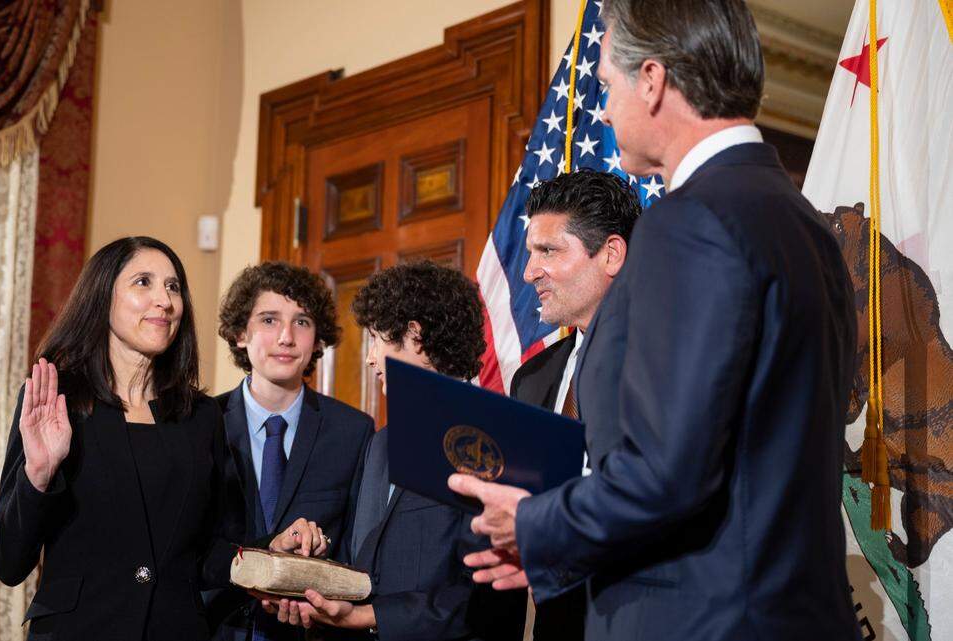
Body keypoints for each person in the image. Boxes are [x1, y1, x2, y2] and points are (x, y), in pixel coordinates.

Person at [450, 1, 862, 640]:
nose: (607, 108)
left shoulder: (690, 221)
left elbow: (665, 472)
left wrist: (534, 524)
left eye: (608, 86)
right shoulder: (805, 221)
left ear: (652, 79)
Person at [0, 237, 321, 641]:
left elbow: (210, 553)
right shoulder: (57, 401)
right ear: (102, 297)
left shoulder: (201, 416)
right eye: (143, 282)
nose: (164, 300)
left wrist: (271, 553)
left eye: (173, 286)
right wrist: (38, 474)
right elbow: (8, 562)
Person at [264, 260, 515, 641]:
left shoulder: (490, 439)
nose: (369, 358)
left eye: (377, 340)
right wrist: (308, 571)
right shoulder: (380, 443)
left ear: (415, 336)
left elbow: (483, 596)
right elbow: (363, 560)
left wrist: (367, 617)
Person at [210, 261, 374, 641]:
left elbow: (357, 546)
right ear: (240, 333)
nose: (285, 337)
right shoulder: (203, 425)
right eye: (269, 320)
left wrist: (321, 547)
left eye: (301, 322)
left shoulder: (354, 431)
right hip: (217, 627)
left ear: (317, 340)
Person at [511, 169, 640, 641]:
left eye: (548, 251)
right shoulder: (532, 379)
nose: (529, 272)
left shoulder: (669, 362)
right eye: (530, 253)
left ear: (610, 254)